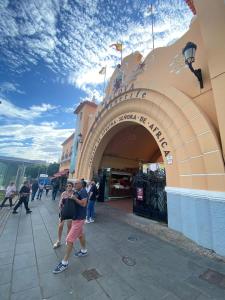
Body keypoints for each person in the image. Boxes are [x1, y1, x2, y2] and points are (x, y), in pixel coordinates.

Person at [53, 179, 88, 274]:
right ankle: (84, 250)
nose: (75, 185)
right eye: (74, 183)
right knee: (80, 235)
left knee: (69, 240)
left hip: (79, 219)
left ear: (82, 184)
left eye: (77, 183)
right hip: (75, 218)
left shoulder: (84, 191)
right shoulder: (77, 191)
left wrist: (74, 199)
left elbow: (84, 204)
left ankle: (64, 263)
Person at [53, 182, 74, 249]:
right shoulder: (64, 193)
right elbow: (61, 201)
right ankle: (58, 240)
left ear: (72, 187)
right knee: (60, 226)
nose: (68, 187)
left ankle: (67, 239)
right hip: (63, 212)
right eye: (67, 186)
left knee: (69, 227)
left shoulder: (74, 193)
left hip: (70, 212)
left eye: (70, 186)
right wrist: (60, 205)